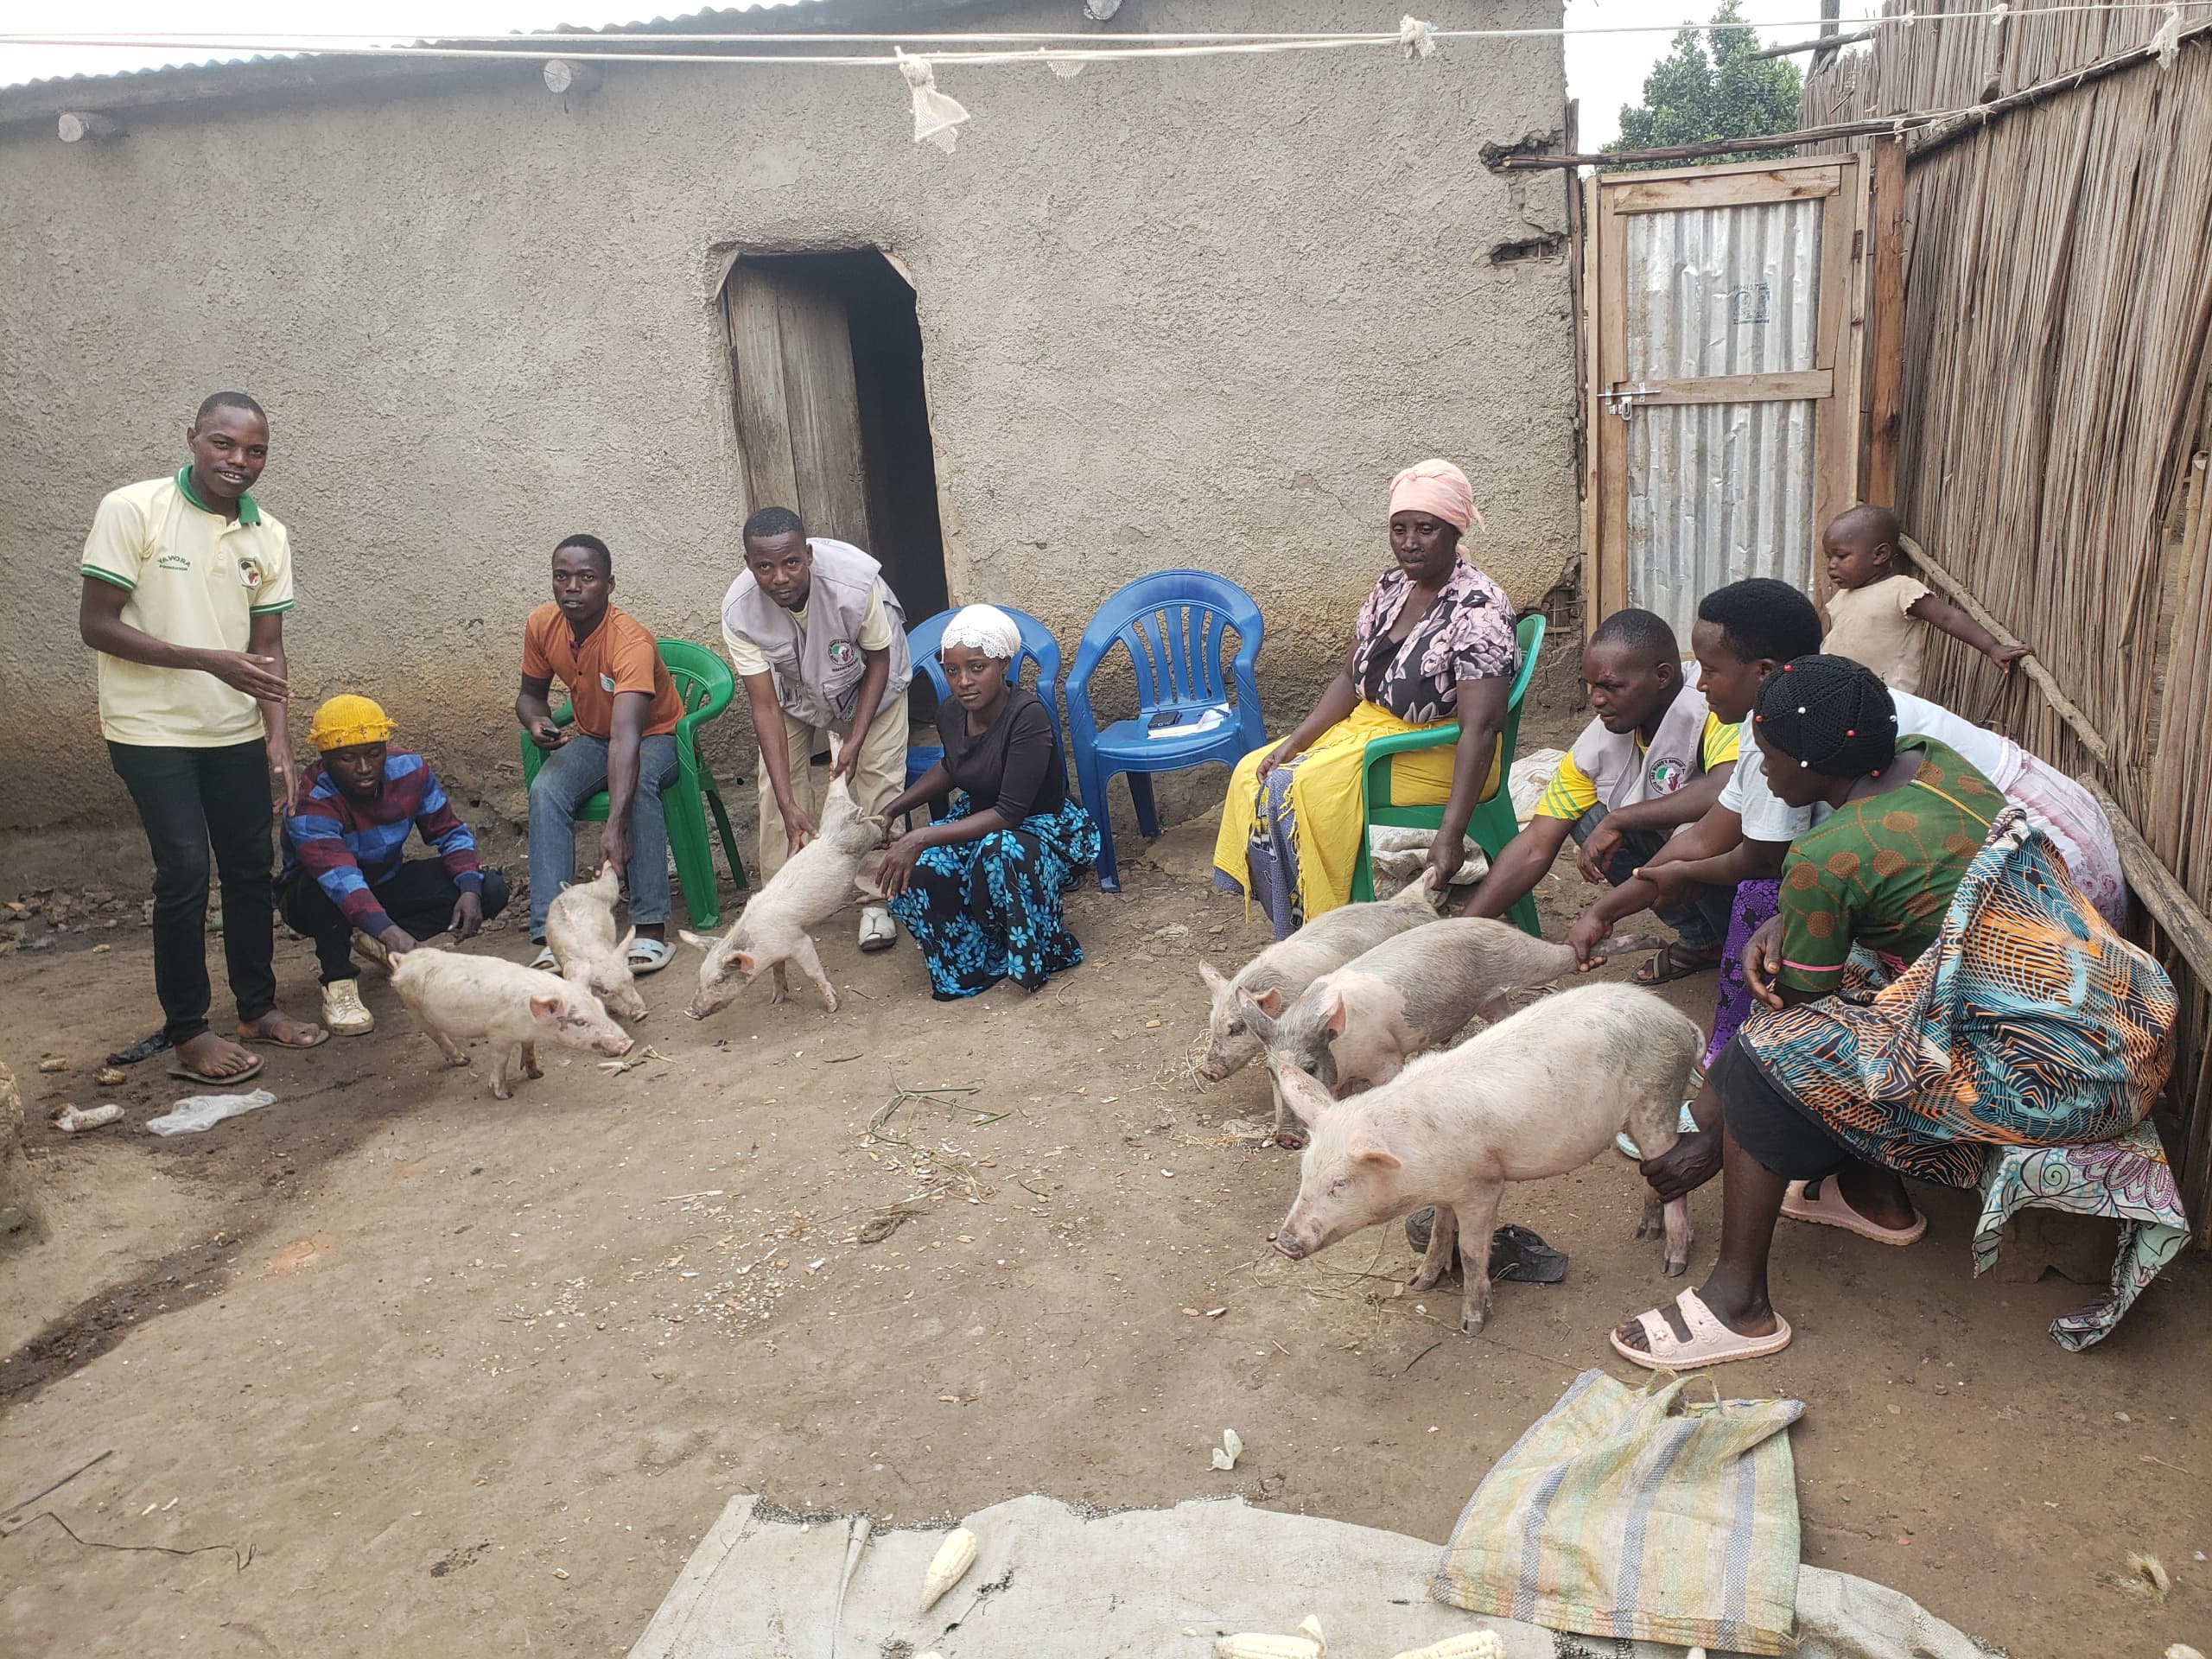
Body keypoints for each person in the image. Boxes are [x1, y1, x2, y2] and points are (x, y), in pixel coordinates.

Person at [1611, 657, 2173, 1370]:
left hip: (2060, 1079)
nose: (1764, 771)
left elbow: (1797, 1025)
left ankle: (1739, 1304)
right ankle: (1872, 1198)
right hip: (2122, 1023)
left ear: (1811, 762)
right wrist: (1789, 918)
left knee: (1771, 1051)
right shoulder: (1936, 764)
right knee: (1850, 979)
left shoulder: (1826, 855)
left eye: (1769, 756)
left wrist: (1712, 1141)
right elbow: (1905, 892)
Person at [77, 391, 327, 1084]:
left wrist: (277, 735)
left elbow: (268, 646)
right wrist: (205, 659)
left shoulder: (266, 534)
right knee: (185, 872)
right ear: (192, 438)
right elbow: (96, 623)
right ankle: (188, 1030)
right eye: (224, 444)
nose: (238, 461)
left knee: (251, 867)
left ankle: (257, 1008)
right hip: (149, 727)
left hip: (233, 729)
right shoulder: (133, 509)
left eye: (255, 451)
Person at [1212, 459, 1517, 938]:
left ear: (1455, 532)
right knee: (1255, 771)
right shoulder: (1391, 587)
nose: (1409, 542)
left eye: (1426, 529)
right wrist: (1295, 741)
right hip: (1372, 733)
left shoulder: (1479, 607)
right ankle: (1297, 924)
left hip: (1437, 748)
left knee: (1290, 790)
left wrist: (1451, 834)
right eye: (1399, 529)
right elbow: (1350, 679)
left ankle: (1320, 931)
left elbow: (1481, 727)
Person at [1462, 607, 1738, 983]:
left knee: (1688, 829)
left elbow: (1727, 789)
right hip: (1680, 847)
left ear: (1662, 676)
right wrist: (1458, 932)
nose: (1597, 700)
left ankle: (1738, 944)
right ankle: (1703, 940)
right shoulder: (1597, 743)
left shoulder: (1714, 706)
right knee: (1589, 819)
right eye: (1592, 686)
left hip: (1739, 853)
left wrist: (1621, 818)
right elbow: (1535, 844)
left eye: (1612, 686)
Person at [875, 606, 1100, 999]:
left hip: (1040, 828)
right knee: (922, 868)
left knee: (1000, 851)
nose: (963, 681)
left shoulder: (1028, 717)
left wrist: (922, 835)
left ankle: (1036, 954)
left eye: (977, 668)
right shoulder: (951, 713)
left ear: (1004, 665)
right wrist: (894, 809)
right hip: (981, 818)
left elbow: (1011, 813)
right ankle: (972, 963)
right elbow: (952, 766)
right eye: (952, 671)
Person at [722, 506, 912, 953]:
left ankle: (876, 902)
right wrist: (789, 800)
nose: (780, 577)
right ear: (750, 566)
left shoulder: (855, 583)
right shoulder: (738, 612)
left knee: (879, 785)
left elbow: (879, 660)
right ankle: (778, 904)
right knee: (776, 788)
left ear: (807, 554)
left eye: (790, 562)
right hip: (797, 695)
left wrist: (855, 740)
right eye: (764, 567)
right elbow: (764, 705)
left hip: (873, 686)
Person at [277, 695, 511, 1035]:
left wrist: (469, 887)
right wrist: (388, 928)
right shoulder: (308, 800)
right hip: (314, 897)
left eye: (374, 753)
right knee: (322, 886)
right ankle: (338, 982)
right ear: (324, 758)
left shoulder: (411, 770)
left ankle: (377, 937)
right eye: (346, 758)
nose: (364, 768)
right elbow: (340, 878)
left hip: (384, 880)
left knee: (489, 888)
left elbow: (449, 831)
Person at [517, 534, 686, 975]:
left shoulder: (629, 642)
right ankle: (556, 935)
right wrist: (537, 723)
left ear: (609, 586)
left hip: (656, 736)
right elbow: (529, 696)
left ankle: (649, 929)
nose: (572, 587)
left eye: (586, 578)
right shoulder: (541, 625)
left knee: (641, 782)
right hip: (595, 737)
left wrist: (614, 829)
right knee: (546, 788)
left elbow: (628, 737)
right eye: (562, 577)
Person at [1821, 504, 2031, 694]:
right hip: (1839, 693)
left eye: (1841, 556)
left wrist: (1992, 647)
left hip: (1886, 697)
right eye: (1829, 557)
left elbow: (1949, 618)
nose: (1831, 565)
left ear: (1880, 555)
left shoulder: (1900, 590)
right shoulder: (1842, 597)